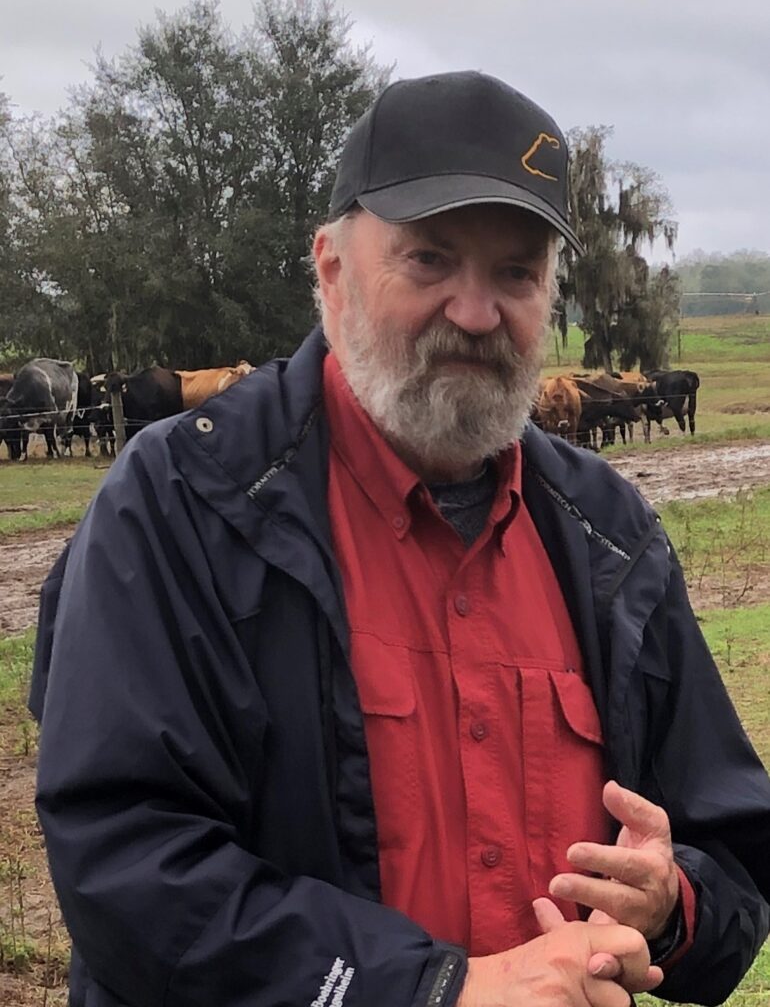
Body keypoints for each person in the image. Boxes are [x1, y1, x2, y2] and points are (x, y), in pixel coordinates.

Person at [31, 71, 769, 1007]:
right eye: (429, 259)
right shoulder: (182, 503)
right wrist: (431, 989)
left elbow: (736, 857)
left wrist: (671, 904)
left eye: (516, 272)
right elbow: (125, 865)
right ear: (331, 270)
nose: (476, 312)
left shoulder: (608, 533)